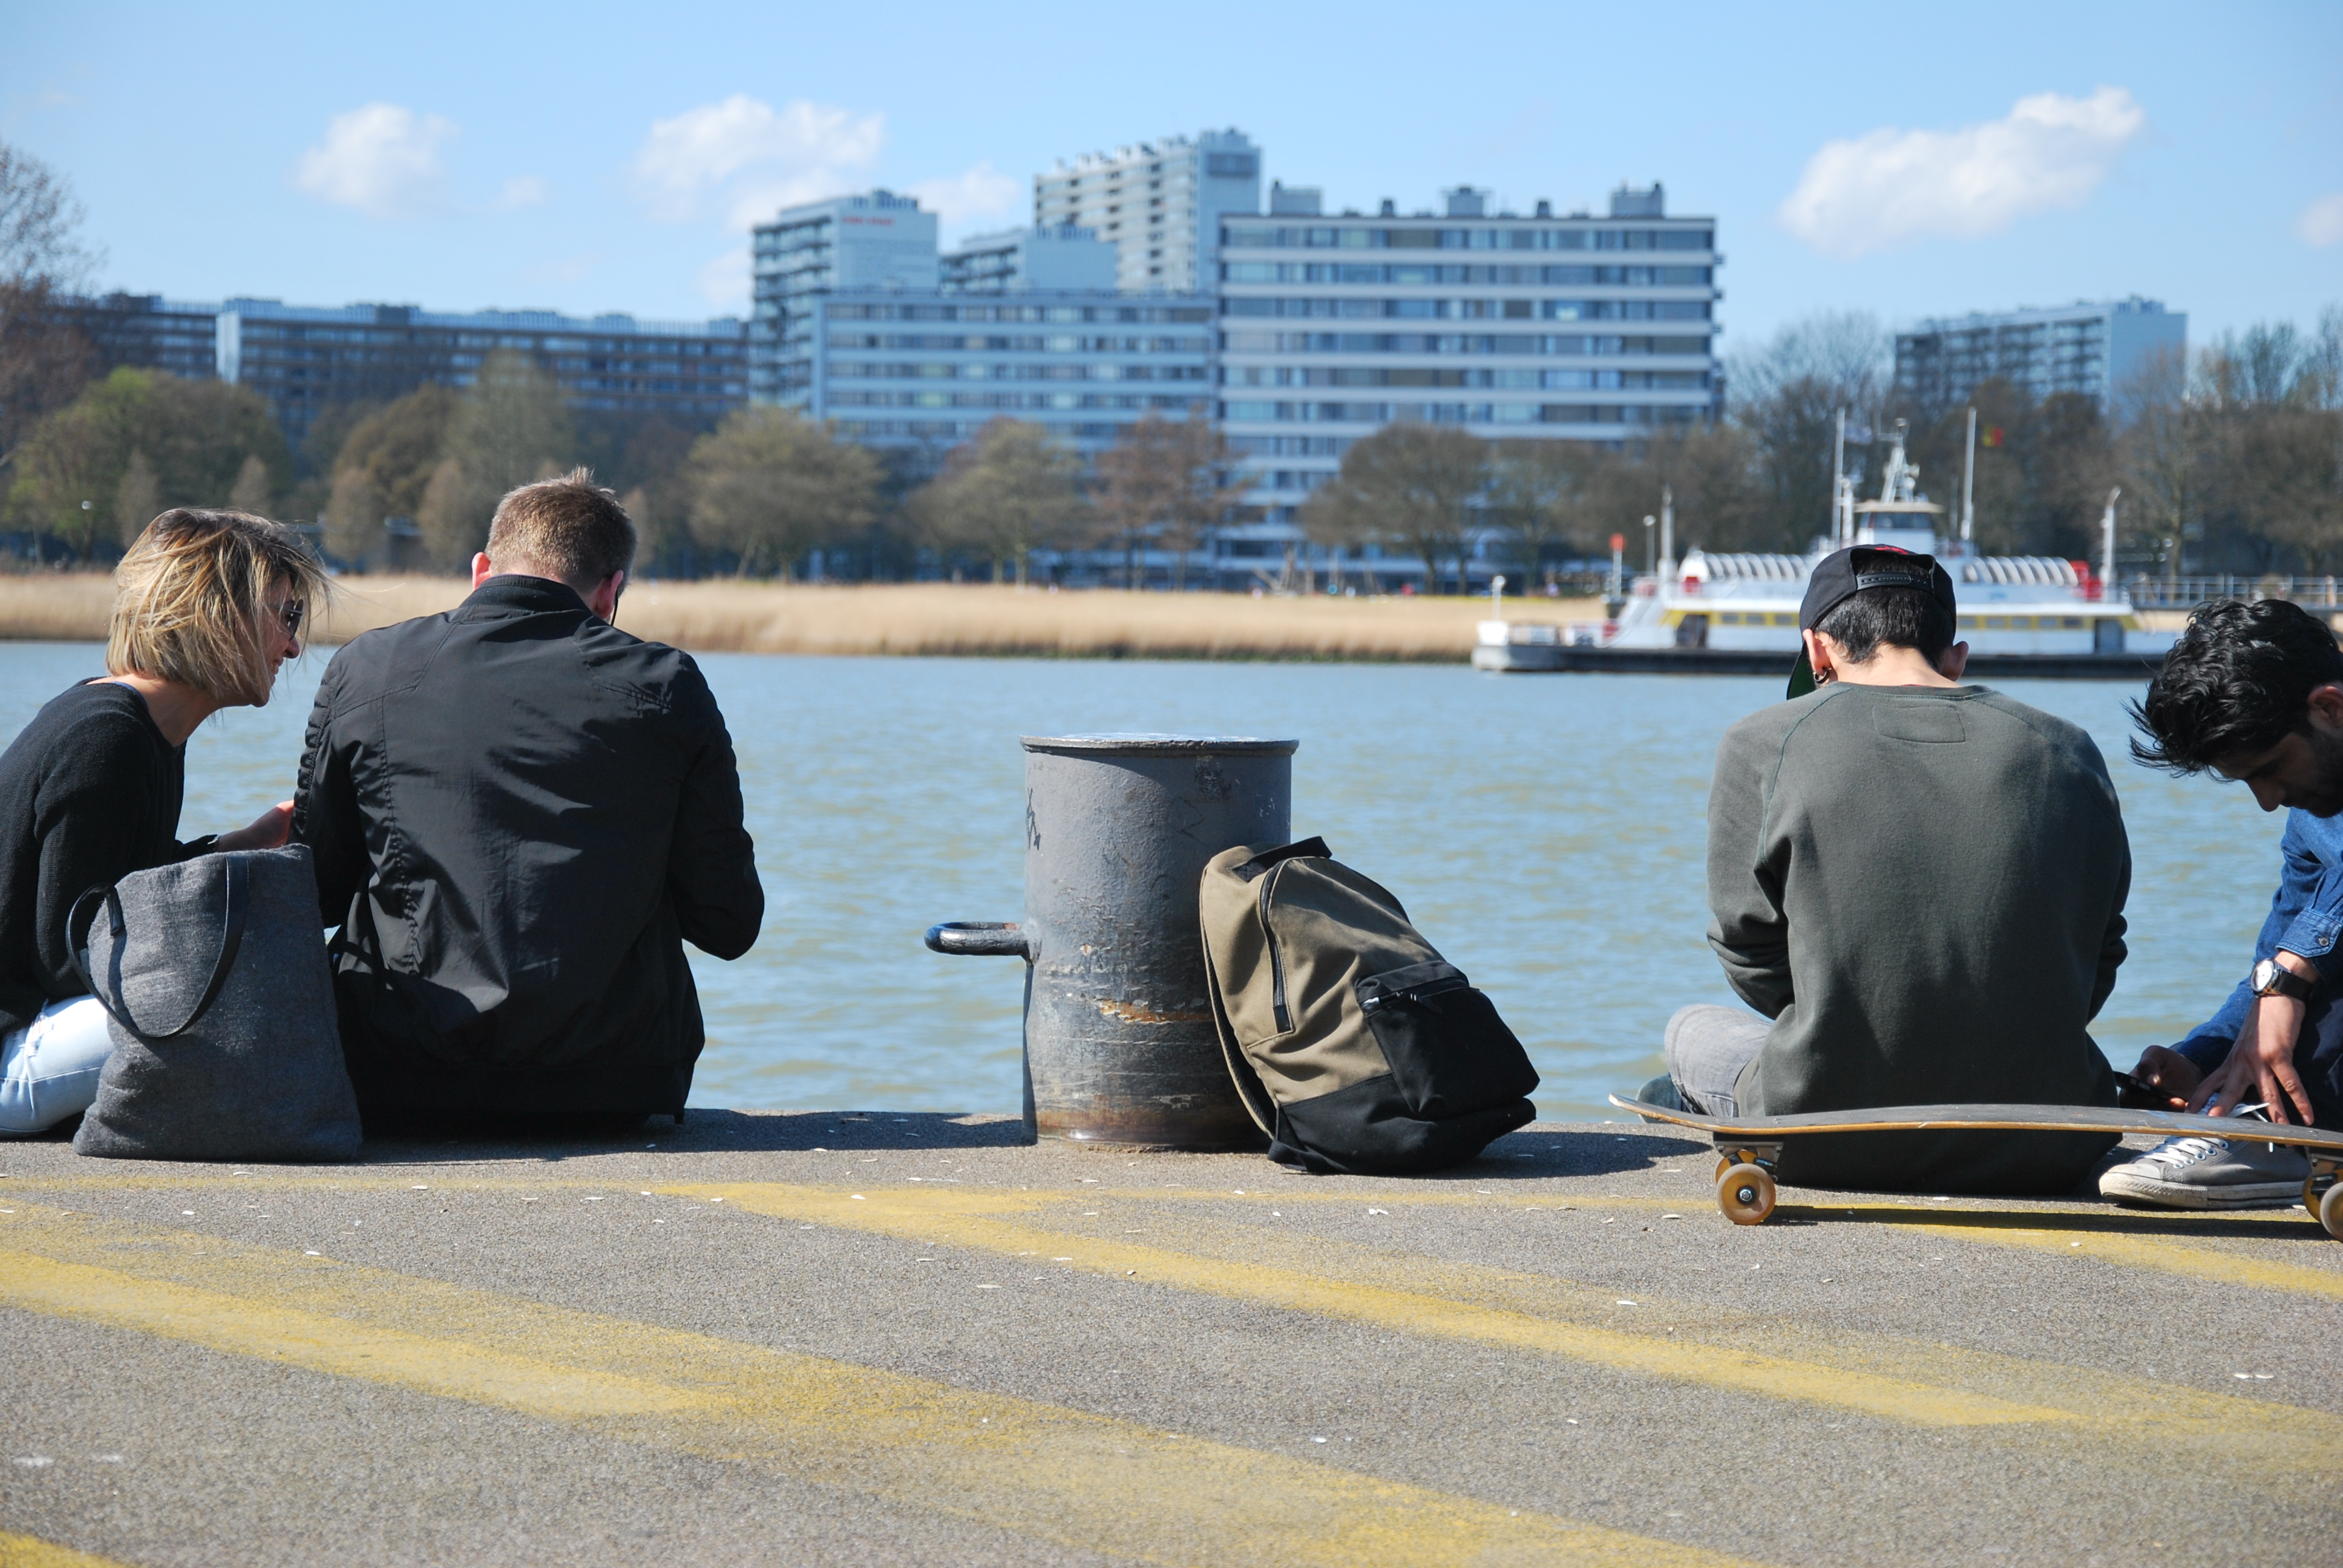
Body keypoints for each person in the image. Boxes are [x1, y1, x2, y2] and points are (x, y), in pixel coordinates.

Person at [1650, 546, 2133, 1192]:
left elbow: (1748, 953)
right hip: (2048, 1138)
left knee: (1689, 1033)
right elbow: (2098, 952)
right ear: (1954, 656)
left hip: (1822, 1133)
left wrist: (1852, 1012)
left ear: (1816, 652)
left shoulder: (1761, 741)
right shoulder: (2067, 747)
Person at [293, 469, 762, 1126]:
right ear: (610, 593)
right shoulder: (665, 685)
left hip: (398, 1072)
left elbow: (313, 888)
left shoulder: (368, 668)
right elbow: (729, 923)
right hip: (612, 1082)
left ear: (481, 568)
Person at [0, 509, 326, 1135]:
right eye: (285, 616)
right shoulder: (108, 738)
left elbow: (114, 888)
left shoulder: (144, 728)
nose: (293, 644)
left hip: (42, 1028)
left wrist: (241, 847)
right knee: (235, 997)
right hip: (13, 1049)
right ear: (219, 613)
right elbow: (68, 956)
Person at [2100, 598, 2343, 1209]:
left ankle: (2288, 1135)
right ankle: (2254, 1113)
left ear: (2329, 709)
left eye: (2269, 769)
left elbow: (2288, 966)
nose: (2267, 800)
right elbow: (2275, 955)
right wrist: (2202, 1058)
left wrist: (2288, 979)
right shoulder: (2311, 812)